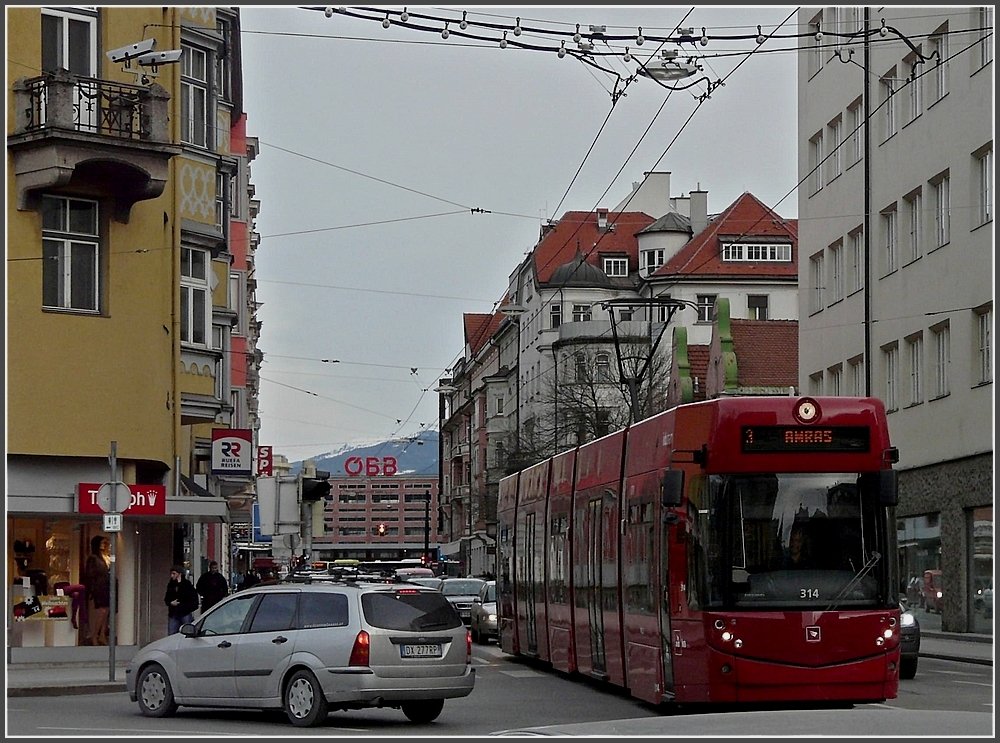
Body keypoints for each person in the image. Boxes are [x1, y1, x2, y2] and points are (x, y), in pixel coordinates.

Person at [82, 535, 111, 645]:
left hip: (106, 586)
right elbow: (90, 575)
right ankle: (94, 635)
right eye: (102, 543)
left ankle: (102, 634)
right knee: (102, 611)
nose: (104, 545)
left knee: (107, 610)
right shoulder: (93, 558)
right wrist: (91, 589)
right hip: (99, 587)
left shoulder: (105, 557)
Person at [164, 566, 199, 634]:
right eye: (171, 574)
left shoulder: (187, 584)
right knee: (172, 634)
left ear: (179, 574)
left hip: (185, 613)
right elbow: (166, 598)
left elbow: (194, 599)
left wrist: (187, 608)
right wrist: (171, 603)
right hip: (173, 614)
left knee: (187, 633)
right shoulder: (171, 585)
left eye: (174, 574)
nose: (172, 576)